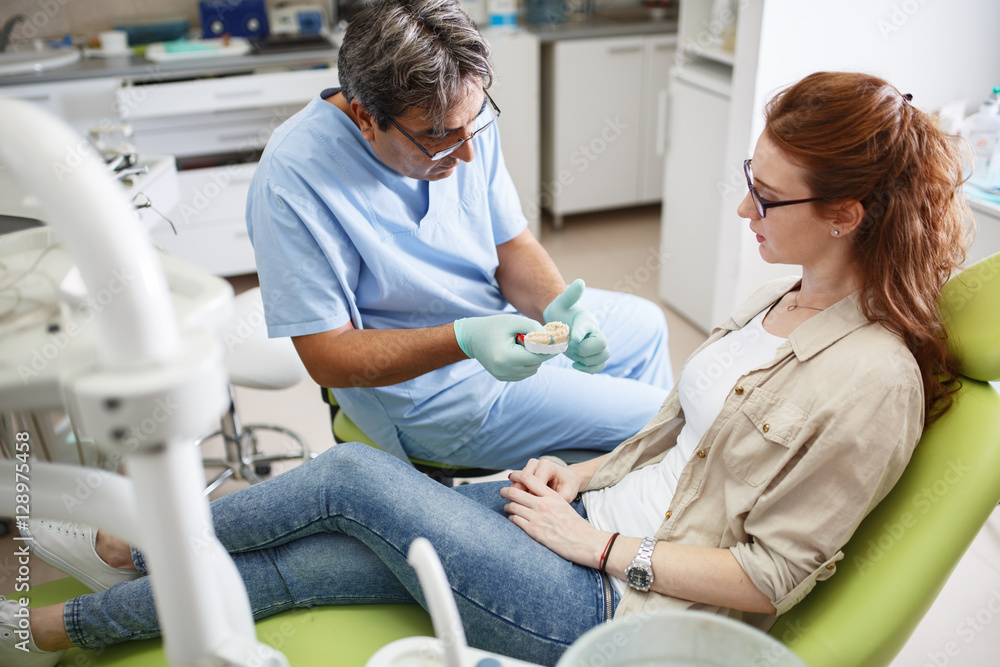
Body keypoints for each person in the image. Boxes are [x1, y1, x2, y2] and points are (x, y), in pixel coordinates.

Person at [1, 70, 972, 667]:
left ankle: (144, 543)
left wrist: (594, 544)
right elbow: (684, 437)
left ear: (846, 211)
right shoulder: (788, 297)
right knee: (314, 567)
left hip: (614, 599)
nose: (742, 211)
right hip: (590, 515)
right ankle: (60, 629)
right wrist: (584, 473)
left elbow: (768, 578)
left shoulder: (872, 381)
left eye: (765, 196)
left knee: (344, 477)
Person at [243, 0, 673, 470]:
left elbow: (513, 245)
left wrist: (555, 306)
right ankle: (616, 495)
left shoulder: (457, 112)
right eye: (439, 136)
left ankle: (625, 490)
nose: (467, 153)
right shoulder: (292, 179)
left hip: (497, 319)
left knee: (648, 325)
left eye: (475, 122)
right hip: (430, 395)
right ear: (367, 118)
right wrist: (463, 339)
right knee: (662, 420)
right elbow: (327, 358)